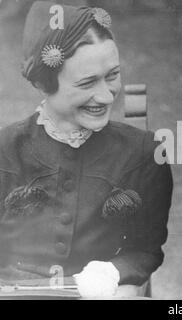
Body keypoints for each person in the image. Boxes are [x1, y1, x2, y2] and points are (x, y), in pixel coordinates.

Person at [0, 1, 173, 298]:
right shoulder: (6, 150)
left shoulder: (144, 154)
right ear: (44, 83)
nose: (106, 95)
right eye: (87, 82)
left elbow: (145, 249)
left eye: (113, 75)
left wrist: (113, 272)